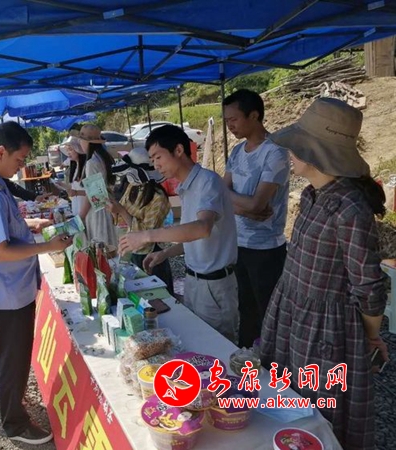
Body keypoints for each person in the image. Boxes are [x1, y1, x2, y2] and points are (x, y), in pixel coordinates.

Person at [260, 98, 388, 450]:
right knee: (287, 400)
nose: (290, 153)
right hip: (291, 311)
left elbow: (369, 285)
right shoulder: (312, 194)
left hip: (324, 330)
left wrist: (371, 337)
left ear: (315, 153)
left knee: (318, 411)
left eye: (296, 146)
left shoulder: (350, 208)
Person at [0, 122, 71, 445]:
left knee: (8, 352)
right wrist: (47, 246)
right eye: (19, 160)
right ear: (0, 152)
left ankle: (11, 396)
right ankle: (15, 423)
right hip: (7, 289)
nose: (21, 167)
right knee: (12, 355)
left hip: (5, 286)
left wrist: (28, 222)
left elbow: (1, 225)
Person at [119, 125, 239, 343]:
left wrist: (147, 236)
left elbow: (202, 228)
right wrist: (166, 253)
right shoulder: (186, 187)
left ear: (178, 150)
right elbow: (193, 236)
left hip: (214, 284)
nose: (156, 165)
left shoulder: (207, 182)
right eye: (152, 160)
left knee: (217, 346)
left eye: (158, 157)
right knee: (198, 342)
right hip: (194, 280)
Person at [222, 89, 291, 348]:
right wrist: (245, 209)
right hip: (239, 243)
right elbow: (223, 192)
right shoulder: (237, 152)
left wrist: (240, 203)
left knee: (269, 314)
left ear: (254, 115)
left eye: (234, 119)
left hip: (266, 249)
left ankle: (273, 364)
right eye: (226, 121)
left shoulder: (275, 152)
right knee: (246, 310)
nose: (230, 126)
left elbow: (257, 203)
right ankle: (245, 360)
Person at [108, 147, 174, 294]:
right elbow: (122, 219)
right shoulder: (132, 187)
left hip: (151, 256)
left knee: (156, 298)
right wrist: (114, 211)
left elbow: (146, 235)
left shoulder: (158, 197)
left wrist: (121, 211)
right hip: (130, 252)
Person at [78, 124, 117, 246]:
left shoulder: (92, 162)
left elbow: (93, 195)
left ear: (87, 142)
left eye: (81, 140)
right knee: (109, 247)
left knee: (100, 249)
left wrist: (80, 217)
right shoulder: (103, 157)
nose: (80, 143)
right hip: (107, 207)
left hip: (98, 212)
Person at [56, 135, 87, 216]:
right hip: (77, 209)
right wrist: (62, 185)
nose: (68, 153)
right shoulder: (75, 167)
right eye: (67, 150)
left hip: (86, 212)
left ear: (78, 149)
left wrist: (76, 192)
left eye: (70, 149)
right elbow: (75, 188)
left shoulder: (87, 167)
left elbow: (95, 193)